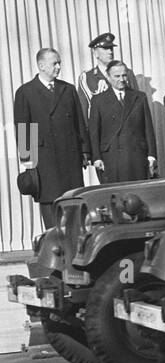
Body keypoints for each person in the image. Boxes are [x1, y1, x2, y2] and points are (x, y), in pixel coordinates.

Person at [14, 47, 90, 229]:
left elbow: (79, 122)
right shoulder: (26, 92)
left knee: (73, 205)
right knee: (51, 210)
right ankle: (55, 249)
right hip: (44, 161)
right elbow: (24, 127)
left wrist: (85, 151)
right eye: (54, 63)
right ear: (41, 65)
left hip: (70, 158)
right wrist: (28, 163)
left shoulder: (68, 89)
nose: (58, 67)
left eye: (59, 63)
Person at [90, 61, 157, 184]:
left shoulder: (139, 97)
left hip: (136, 156)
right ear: (108, 77)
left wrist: (151, 155)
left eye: (124, 75)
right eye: (117, 76)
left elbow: (148, 128)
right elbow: (94, 132)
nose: (122, 79)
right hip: (112, 157)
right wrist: (97, 157)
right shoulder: (98, 101)